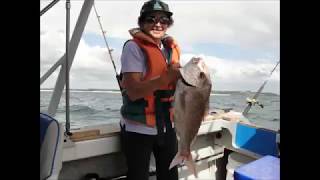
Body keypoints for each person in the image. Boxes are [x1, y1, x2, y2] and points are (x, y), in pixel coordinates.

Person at [119, 0, 181, 180]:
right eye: (151, 19)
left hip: (167, 126)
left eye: (163, 20)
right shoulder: (133, 48)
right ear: (141, 22)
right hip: (138, 129)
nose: (158, 24)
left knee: (170, 176)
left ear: (169, 24)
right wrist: (164, 79)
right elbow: (133, 91)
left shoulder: (170, 49)